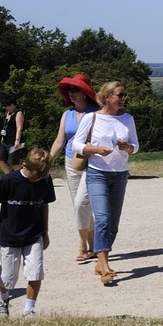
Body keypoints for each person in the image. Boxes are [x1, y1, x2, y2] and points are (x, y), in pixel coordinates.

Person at [0, 147, 57, 317]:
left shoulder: (45, 180)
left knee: (35, 273)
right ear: (25, 166)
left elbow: (44, 205)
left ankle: (29, 310)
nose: (39, 179)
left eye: (42, 176)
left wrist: (45, 232)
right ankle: (2, 300)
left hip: (34, 235)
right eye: (36, 175)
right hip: (10, 235)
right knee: (8, 278)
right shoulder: (9, 180)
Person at [71, 80, 139, 285]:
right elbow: (76, 144)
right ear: (107, 97)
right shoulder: (91, 118)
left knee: (113, 224)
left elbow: (136, 145)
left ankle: (100, 263)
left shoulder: (127, 119)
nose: (124, 98)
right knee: (102, 218)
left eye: (124, 94)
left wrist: (128, 147)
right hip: (97, 173)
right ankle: (105, 265)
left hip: (120, 174)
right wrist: (95, 150)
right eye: (120, 95)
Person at [49, 73, 99, 263]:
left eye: (75, 89)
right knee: (80, 206)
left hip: (91, 162)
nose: (71, 93)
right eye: (69, 89)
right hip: (71, 162)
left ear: (85, 92)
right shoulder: (67, 114)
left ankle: (82, 245)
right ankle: (93, 246)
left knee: (81, 204)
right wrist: (48, 160)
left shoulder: (97, 113)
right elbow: (60, 140)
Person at [0, 95, 26, 175]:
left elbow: (19, 128)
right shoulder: (7, 114)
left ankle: (19, 177)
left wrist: (17, 140)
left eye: (6, 106)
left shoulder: (18, 113)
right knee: (0, 159)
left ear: (12, 104)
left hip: (14, 141)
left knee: (14, 162)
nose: (5, 107)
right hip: (5, 141)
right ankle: (9, 175)